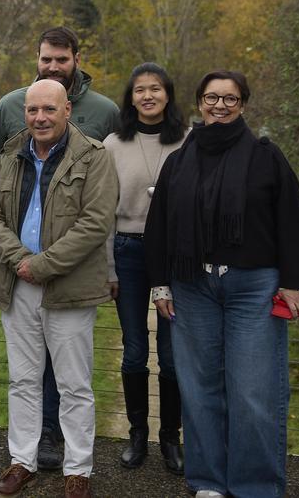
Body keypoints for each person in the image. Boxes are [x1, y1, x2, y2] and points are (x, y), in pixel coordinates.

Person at [145, 70, 299, 498]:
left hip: (253, 288)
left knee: (253, 391)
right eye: (212, 98)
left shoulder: (265, 156)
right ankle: (209, 482)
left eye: (230, 99)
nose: (220, 106)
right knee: (199, 390)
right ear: (199, 103)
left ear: (243, 106)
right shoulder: (179, 161)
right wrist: (160, 283)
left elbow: (292, 221)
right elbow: (159, 225)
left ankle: (255, 485)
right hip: (192, 287)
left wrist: (294, 283)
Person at [0, 26, 120, 469]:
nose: (40, 117)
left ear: (67, 110)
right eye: (33, 109)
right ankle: (21, 462)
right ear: (25, 112)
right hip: (17, 283)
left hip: (69, 286)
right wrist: (22, 260)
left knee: (74, 384)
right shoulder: (10, 154)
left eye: (49, 109)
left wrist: (43, 264)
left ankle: (77, 468)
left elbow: (96, 222)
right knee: (22, 381)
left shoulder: (93, 155)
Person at [102, 63, 186, 474]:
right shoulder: (114, 144)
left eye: (156, 89)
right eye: (140, 90)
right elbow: (101, 211)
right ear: (130, 97)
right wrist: (108, 268)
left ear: (168, 95)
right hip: (129, 252)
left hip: (174, 257)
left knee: (171, 356)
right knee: (135, 348)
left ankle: (171, 437)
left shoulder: (190, 142)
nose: (148, 96)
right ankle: (138, 436)